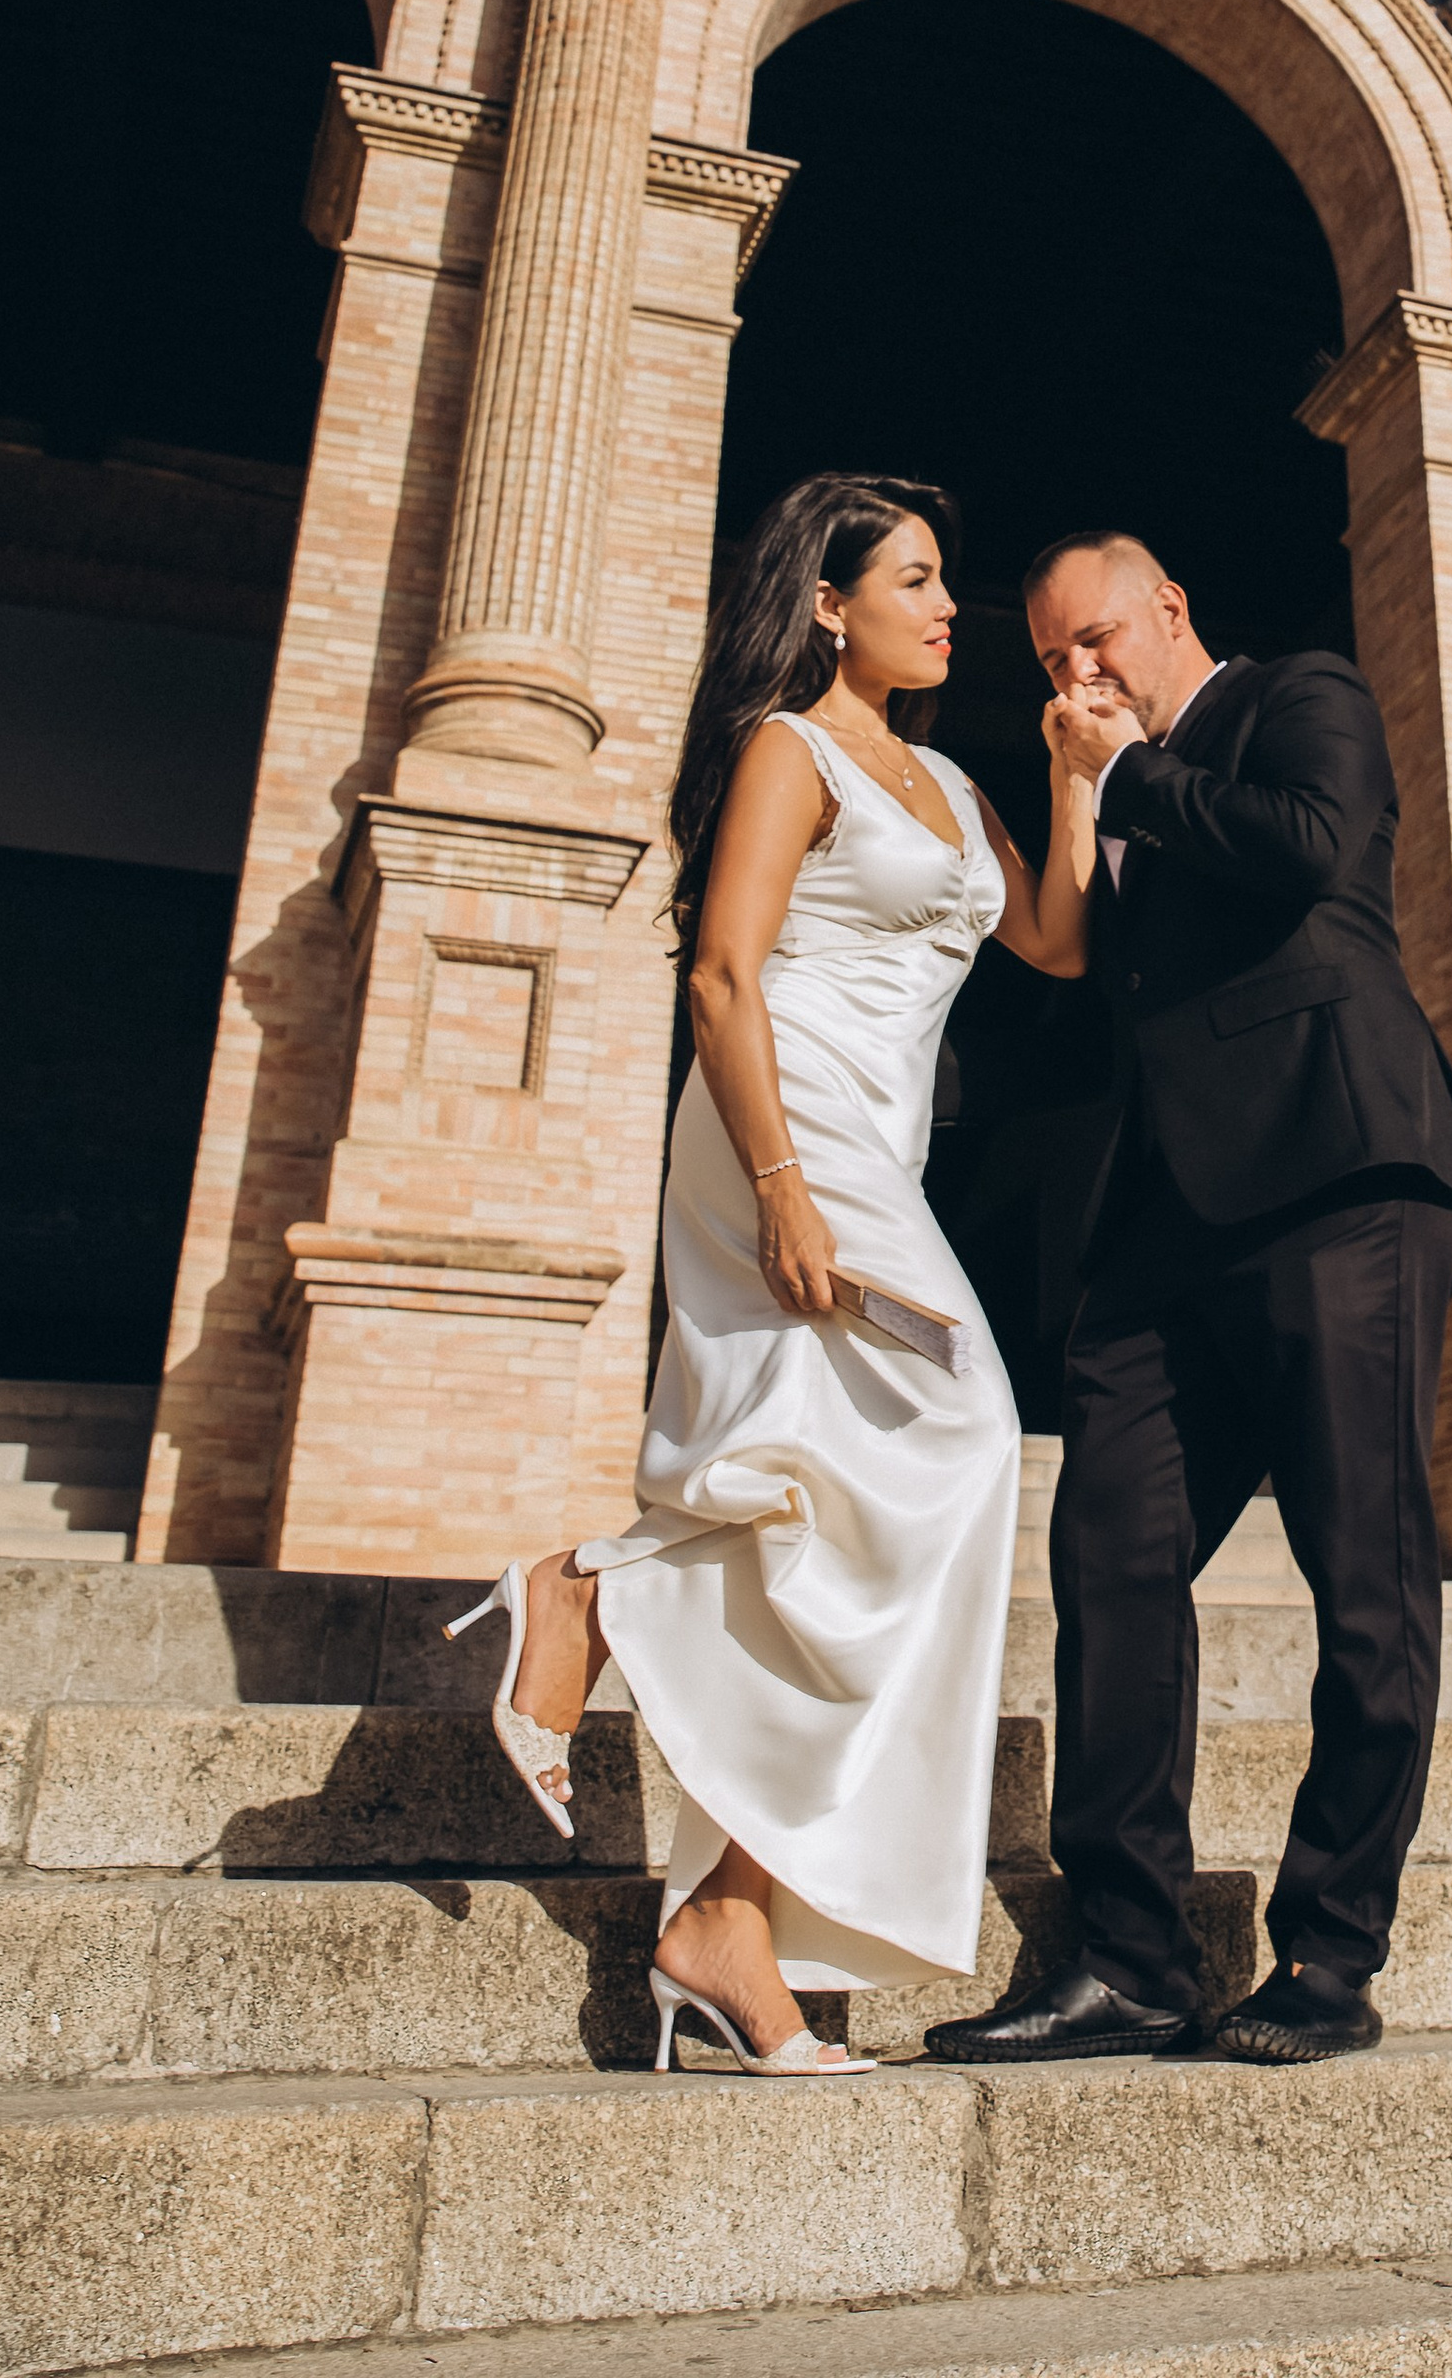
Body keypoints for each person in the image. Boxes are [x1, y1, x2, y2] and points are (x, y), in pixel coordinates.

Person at [448, 474, 1093, 2074]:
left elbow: (1057, 942)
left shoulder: (946, 777)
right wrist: (784, 1189)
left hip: (882, 1149)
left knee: (850, 1500)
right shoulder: (785, 750)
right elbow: (724, 970)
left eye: (950, 587)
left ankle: (729, 1911)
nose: (952, 611)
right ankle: (596, 1594)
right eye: (921, 581)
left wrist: (1078, 779)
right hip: (783, 1125)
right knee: (954, 1443)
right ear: (828, 601)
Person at [924, 532, 1452, 2071]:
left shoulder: (1297, 697)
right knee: (1109, 1555)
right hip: (1164, 1226)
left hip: (1345, 1184)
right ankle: (1126, 1954)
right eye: (1051, 661)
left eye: (1097, 641)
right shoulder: (1100, 785)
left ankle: (1329, 1953)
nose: (1077, 676)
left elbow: (1312, 850)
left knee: (1366, 1582)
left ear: (1171, 607)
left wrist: (1122, 778)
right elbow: (1082, 991)